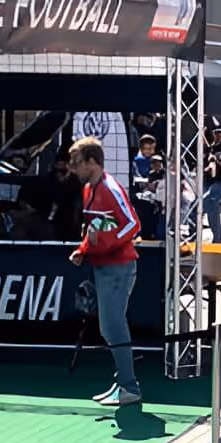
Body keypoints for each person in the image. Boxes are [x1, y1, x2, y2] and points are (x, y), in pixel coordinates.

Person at [72, 135, 148, 408]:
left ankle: (129, 386)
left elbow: (132, 224)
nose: (73, 168)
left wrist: (106, 245)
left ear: (92, 162)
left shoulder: (110, 188)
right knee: (109, 327)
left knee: (114, 326)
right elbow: (93, 228)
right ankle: (123, 382)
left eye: (77, 162)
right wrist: (84, 250)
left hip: (119, 268)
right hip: (103, 267)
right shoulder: (88, 190)